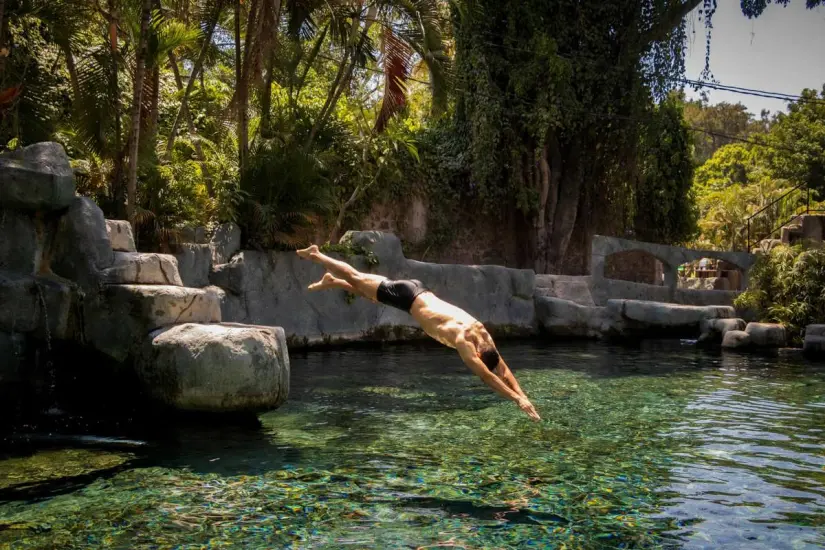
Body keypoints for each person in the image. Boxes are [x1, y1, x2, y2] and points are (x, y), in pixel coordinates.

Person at [296, 245, 541, 422]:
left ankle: (332, 281)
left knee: (371, 295)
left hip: (416, 293)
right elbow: (488, 377)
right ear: (477, 353)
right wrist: (516, 399)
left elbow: (502, 369)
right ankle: (318, 255)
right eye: (477, 359)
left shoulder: (483, 335)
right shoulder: (463, 341)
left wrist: (524, 396)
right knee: (356, 277)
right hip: (409, 296)